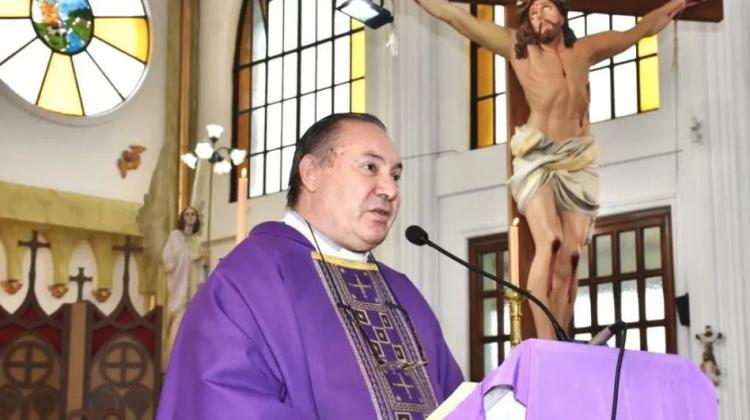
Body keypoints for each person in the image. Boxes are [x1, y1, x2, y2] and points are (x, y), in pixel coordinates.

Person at [415, 0, 702, 339]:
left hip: (578, 157)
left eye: (546, 8)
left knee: (572, 253)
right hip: (537, 155)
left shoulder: (585, 51)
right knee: (550, 239)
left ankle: (561, 336)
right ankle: (546, 342)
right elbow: (457, 17)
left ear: (562, 13)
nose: (539, 17)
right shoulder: (519, 49)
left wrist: (678, 3)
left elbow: (639, 31)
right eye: (533, 13)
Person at [157, 113, 463, 419]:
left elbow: (456, 404)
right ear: (311, 173)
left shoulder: (403, 293)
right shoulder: (248, 280)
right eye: (370, 167)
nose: (390, 189)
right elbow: (222, 403)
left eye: (395, 176)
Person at [162, 206, 209, 357]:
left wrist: (203, 260)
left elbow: (201, 266)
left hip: (193, 286)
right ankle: (173, 357)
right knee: (178, 320)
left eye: (193, 214)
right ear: (182, 217)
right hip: (181, 285)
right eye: (187, 214)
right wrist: (193, 258)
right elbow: (169, 259)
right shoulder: (175, 236)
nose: (190, 217)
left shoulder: (196, 241)